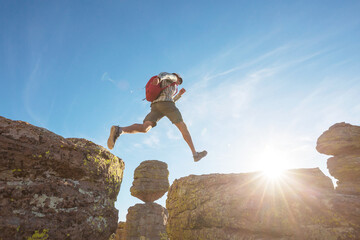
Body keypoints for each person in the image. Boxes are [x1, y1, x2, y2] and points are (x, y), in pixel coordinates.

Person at [107, 72, 207, 162]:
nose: (179, 82)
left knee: (145, 128)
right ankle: (195, 154)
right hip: (167, 105)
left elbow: (170, 99)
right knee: (182, 126)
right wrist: (159, 78)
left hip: (156, 106)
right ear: (177, 77)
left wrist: (179, 95)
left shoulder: (172, 87)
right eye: (179, 80)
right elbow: (166, 75)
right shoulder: (172, 78)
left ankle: (119, 130)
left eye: (180, 82)